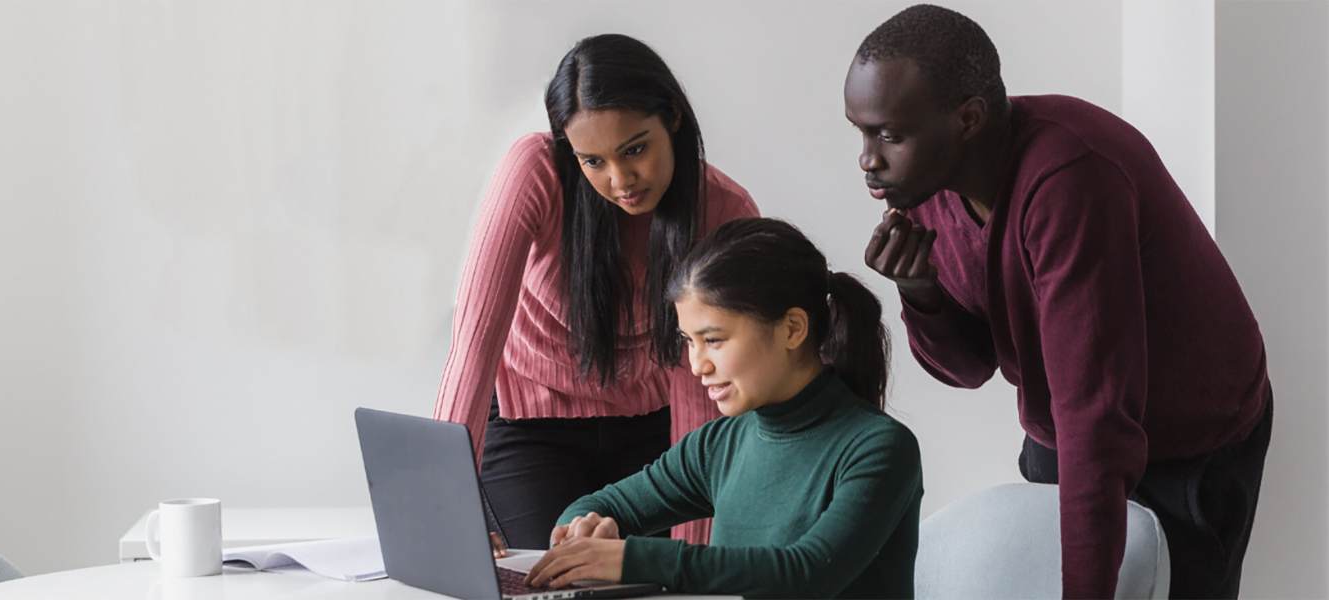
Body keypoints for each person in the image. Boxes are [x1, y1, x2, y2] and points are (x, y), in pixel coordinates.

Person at [844, 6, 1272, 599]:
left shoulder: (1070, 176)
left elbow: (1097, 417)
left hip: (1189, 428)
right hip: (1065, 423)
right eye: (861, 131)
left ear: (968, 118)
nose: (868, 157)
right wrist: (921, 293)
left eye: (889, 134)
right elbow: (971, 368)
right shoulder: (921, 185)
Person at [434, 33, 760, 551]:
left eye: (635, 149)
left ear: (672, 118)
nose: (621, 179)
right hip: (530, 426)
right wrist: (446, 508)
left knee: (648, 577)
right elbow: (474, 346)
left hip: (654, 437)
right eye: (593, 161)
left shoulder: (722, 211)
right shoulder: (533, 172)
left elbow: (699, 384)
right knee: (551, 577)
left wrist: (691, 555)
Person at [523, 218, 923, 600]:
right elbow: (604, 504)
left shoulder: (879, 448)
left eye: (713, 340)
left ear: (792, 329)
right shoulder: (718, 445)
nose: (697, 365)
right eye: (689, 341)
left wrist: (633, 559)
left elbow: (806, 575)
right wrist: (580, 531)